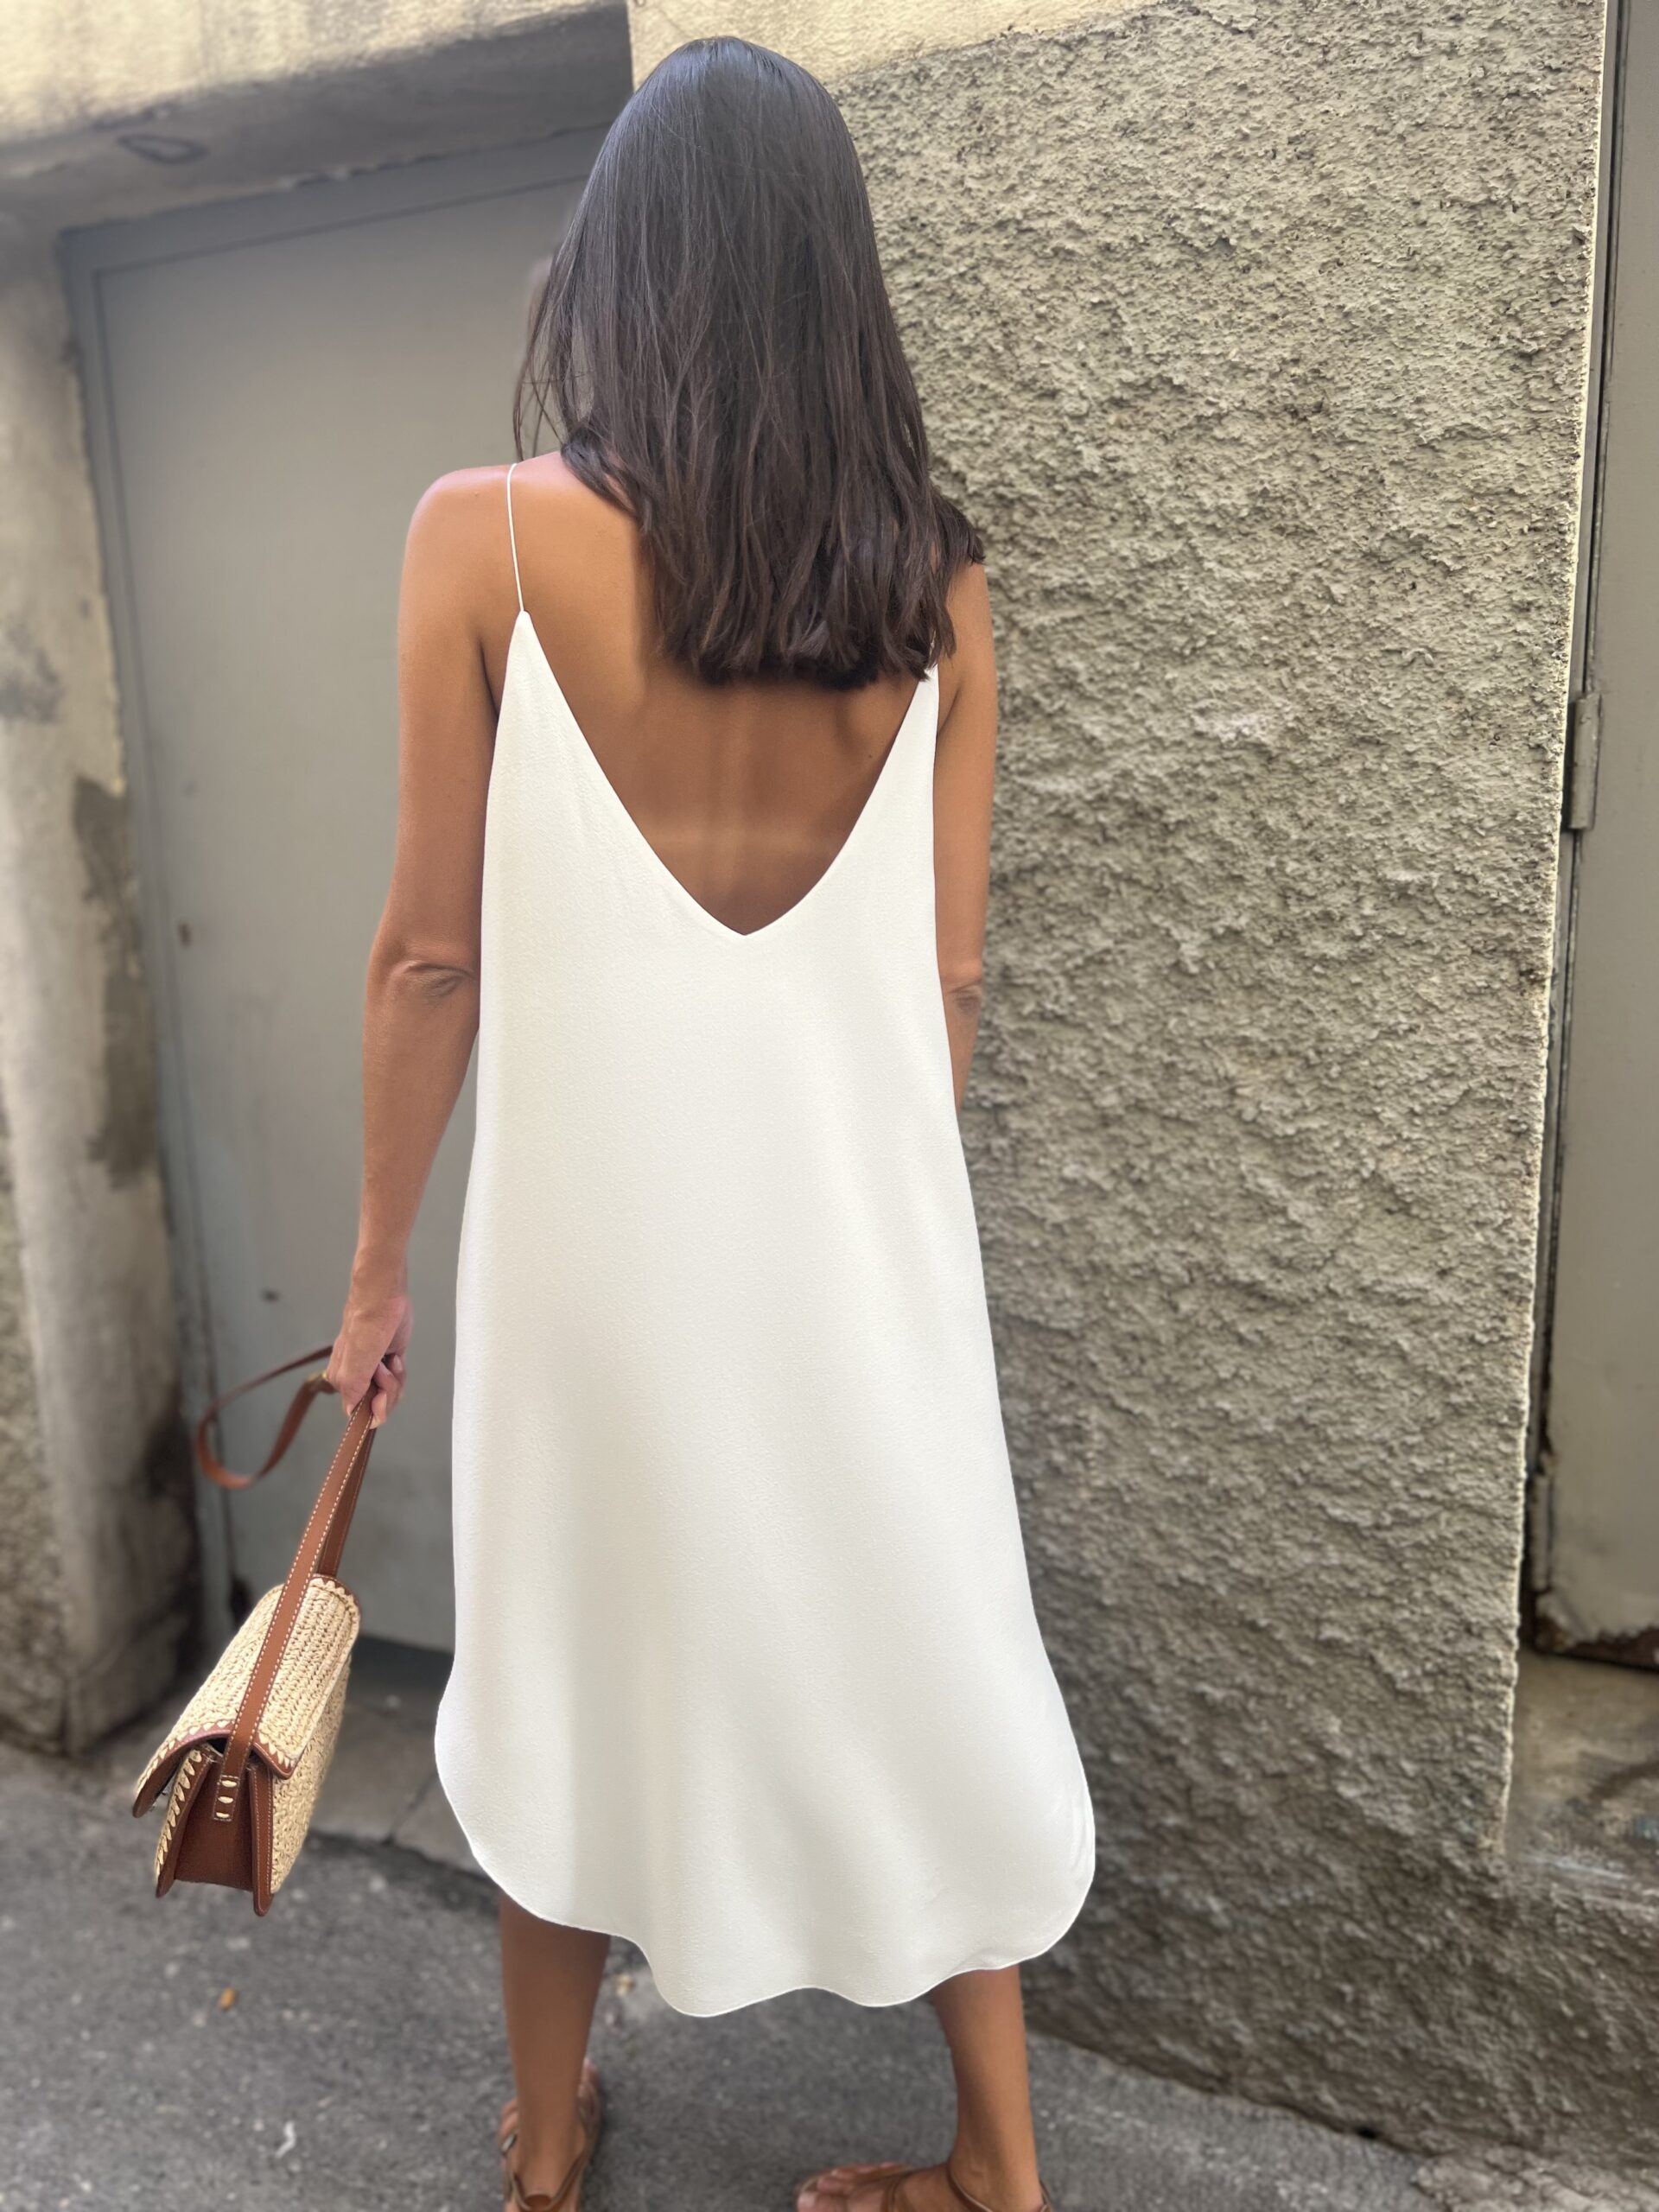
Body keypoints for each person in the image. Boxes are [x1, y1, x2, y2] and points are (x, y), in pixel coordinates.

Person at [327, 36, 1094, 2212]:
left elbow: (430, 959)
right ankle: (999, 2159)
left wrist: (376, 1268)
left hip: (595, 1280)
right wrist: (859, 1224)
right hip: (857, 1269)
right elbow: (946, 980)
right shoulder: (938, 592)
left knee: (566, 1660)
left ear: (622, 267)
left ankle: (545, 2144)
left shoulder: (479, 540)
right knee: (918, 1646)